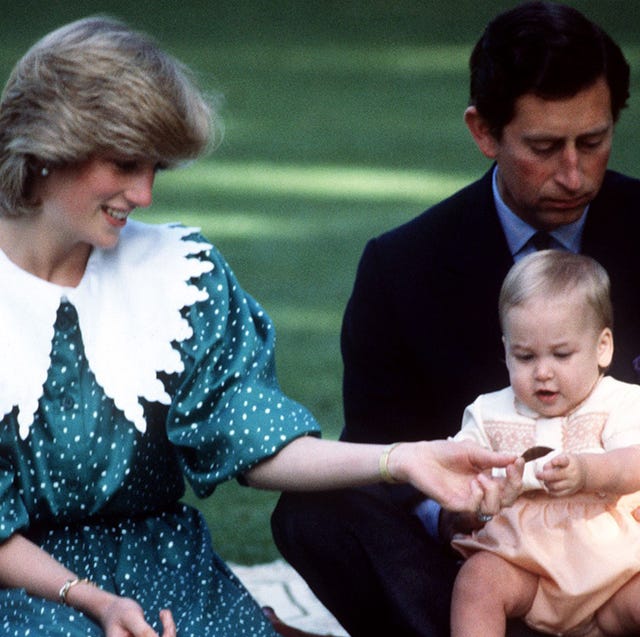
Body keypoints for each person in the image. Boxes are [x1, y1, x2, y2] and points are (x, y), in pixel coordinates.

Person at [0, 16, 523, 637]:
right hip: (25, 584)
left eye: (156, 168)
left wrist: (402, 460)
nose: (143, 193)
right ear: (49, 147)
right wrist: (91, 601)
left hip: (168, 575)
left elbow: (254, 439)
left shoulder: (176, 276)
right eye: (123, 164)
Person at [271, 3, 640, 636]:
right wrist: (454, 514)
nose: (575, 173)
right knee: (317, 508)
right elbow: (379, 446)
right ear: (484, 133)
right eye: (545, 147)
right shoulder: (402, 266)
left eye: (594, 141)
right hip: (488, 560)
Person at [451, 250, 640, 637]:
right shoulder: (488, 413)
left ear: (603, 347)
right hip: (527, 570)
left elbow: (633, 463)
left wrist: (588, 471)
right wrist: (480, 498)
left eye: (561, 354)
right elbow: (456, 474)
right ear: (506, 351)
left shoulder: (620, 401)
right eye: (524, 356)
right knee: (476, 581)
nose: (542, 372)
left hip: (615, 573)